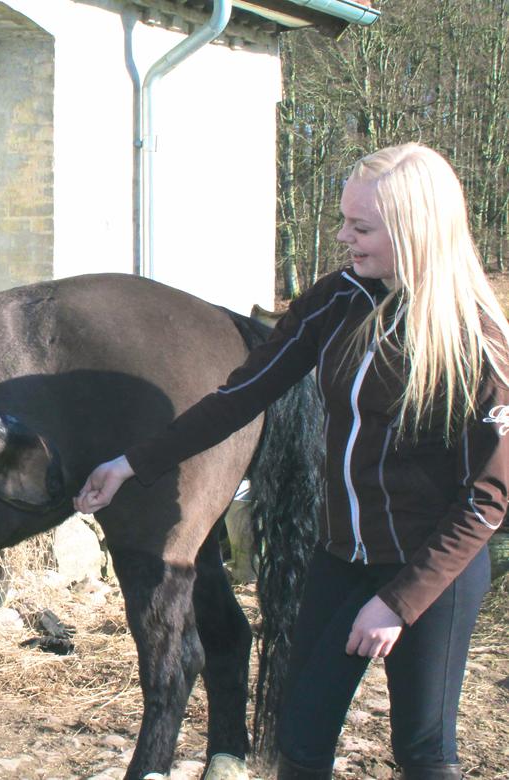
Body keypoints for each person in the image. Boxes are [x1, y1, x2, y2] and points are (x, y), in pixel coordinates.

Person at [75, 143, 508, 780]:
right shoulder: (336, 301)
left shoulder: (477, 344)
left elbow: (487, 499)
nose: (344, 238)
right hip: (340, 558)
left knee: (423, 755)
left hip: (431, 569)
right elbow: (239, 396)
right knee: (299, 746)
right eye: (343, 221)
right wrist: (132, 464)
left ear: (414, 231)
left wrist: (398, 603)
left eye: (361, 227)